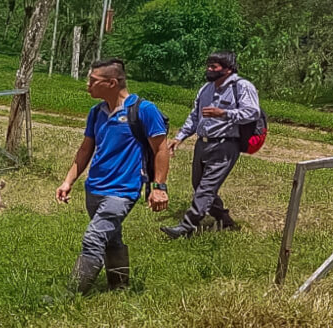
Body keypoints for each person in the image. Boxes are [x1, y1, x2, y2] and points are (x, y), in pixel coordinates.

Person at [57, 58, 171, 294]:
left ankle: (72, 294)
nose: (87, 85)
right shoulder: (96, 112)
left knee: (93, 238)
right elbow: (86, 149)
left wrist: (159, 187)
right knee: (111, 238)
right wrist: (68, 181)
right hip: (94, 189)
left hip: (122, 191)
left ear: (111, 83)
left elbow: (161, 149)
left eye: (92, 81)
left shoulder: (144, 110)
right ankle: (119, 288)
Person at [161, 51, 260, 239]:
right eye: (209, 65)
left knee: (206, 187)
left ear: (228, 69)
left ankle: (186, 227)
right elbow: (194, 116)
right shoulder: (205, 89)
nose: (209, 69)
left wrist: (223, 113)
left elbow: (252, 112)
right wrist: (179, 137)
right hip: (202, 144)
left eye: (214, 66)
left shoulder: (242, 86)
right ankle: (224, 219)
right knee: (199, 184)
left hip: (225, 145)